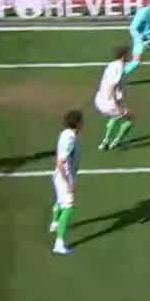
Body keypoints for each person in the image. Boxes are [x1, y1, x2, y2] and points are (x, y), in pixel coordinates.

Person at [50, 110, 84, 256]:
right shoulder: (70, 138)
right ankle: (59, 243)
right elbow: (61, 162)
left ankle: (55, 223)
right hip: (64, 177)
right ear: (77, 123)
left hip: (59, 176)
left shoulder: (65, 133)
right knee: (68, 207)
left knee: (60, 200)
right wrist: (69, 183)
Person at [95, 46, 135, 150]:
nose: (130, 55)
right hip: (110, 103)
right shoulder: (120, 68)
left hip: (99, 99)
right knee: (130, 118)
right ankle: (117, 141)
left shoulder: (111, 64)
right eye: (128, 54)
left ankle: (105, 141)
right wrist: (117, 104)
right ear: (123, 56)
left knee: (115, 117)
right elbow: (113, 86)